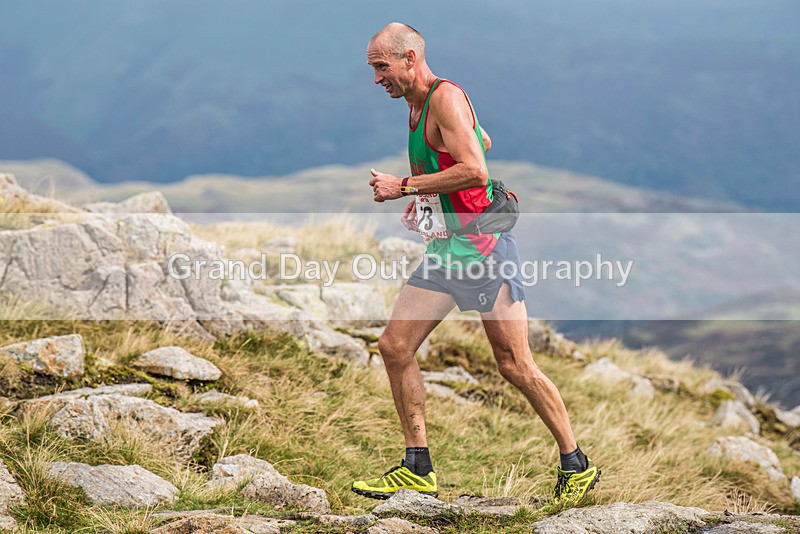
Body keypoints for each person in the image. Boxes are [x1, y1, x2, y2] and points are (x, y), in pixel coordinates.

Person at [352, 22, 600, 508]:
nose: (376, 78)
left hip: (484, 253)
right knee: (394, 346)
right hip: (447, 253)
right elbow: (478, 141)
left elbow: (475, 168)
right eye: (372, 68)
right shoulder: (416, 105)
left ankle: (576, 463)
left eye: (381, 66)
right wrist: (427, 196)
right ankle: (417, 468)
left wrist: (404, 186)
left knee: (514, 365)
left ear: (409, 58)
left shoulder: (445, 98)